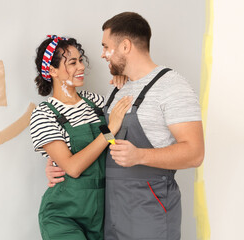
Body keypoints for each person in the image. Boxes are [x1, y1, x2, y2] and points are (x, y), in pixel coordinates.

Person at [45, 12, 205, 240]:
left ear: (125, 46)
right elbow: (100, 140)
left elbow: (195, 153)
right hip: (111, 219)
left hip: (150, 217)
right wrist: (58, 165)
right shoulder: (118, 89)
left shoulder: (172, 87)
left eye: (106, 46)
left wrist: (139, 155)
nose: (101, 55)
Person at [30, 35, 132, 240]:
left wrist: (126, 83)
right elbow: (73, 168)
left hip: (102, 214)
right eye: (72, 62)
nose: (81, 67)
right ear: (52, 71)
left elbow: (127, 128)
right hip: (64, 216)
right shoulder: (44, 114)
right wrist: (108, 131)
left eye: (81, 60)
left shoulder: (96, 102)